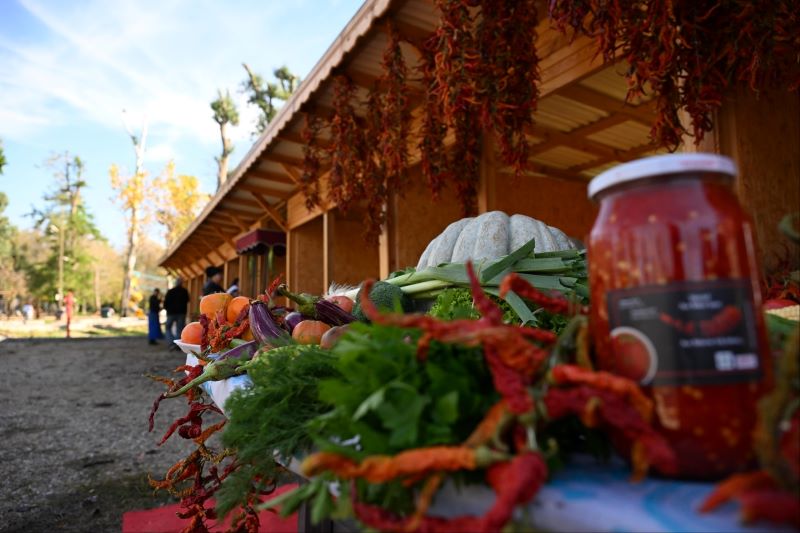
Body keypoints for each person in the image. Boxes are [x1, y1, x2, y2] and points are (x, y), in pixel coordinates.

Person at [164, 277, 190, 349]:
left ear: (175, 282)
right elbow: (187, 301)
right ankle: (177, 345)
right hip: (181, 313)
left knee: (167, 328)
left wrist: (167, 309)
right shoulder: (184, 291)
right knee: (180, 329)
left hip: (171, 313)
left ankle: (171, 342)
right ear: (182, 283)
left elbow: (165, 302)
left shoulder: (170, 291)